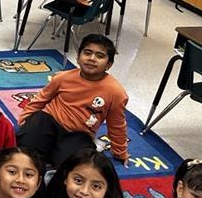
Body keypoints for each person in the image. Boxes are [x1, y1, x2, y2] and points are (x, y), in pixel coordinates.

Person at [17, 34, 129, 167]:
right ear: (78, 57)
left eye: (100, 56)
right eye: (87, 53)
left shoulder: (115, 92)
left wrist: (120, 152)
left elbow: (116, 124)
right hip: (49, 120)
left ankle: (51, 164)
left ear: (108, 65)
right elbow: (41, 99)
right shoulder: (62, 78)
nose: (92, 59)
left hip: (78, 134)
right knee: (24, 151)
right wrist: (25, 119)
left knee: (77, 166)